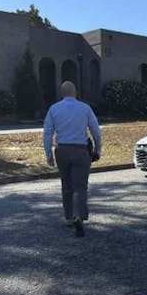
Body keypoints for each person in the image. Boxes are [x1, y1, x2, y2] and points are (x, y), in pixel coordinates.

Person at [43, 81, 102, 237]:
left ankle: (68, 217)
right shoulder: (85, 108)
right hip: (80, 150)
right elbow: (96, 130)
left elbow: (47, 133)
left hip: (61, 150)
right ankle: (79, 216)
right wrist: (97, 149)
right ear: (75, 92)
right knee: (80, 186)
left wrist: (48, 154)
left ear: (62, 93)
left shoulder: (54, 109)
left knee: (66, 185)